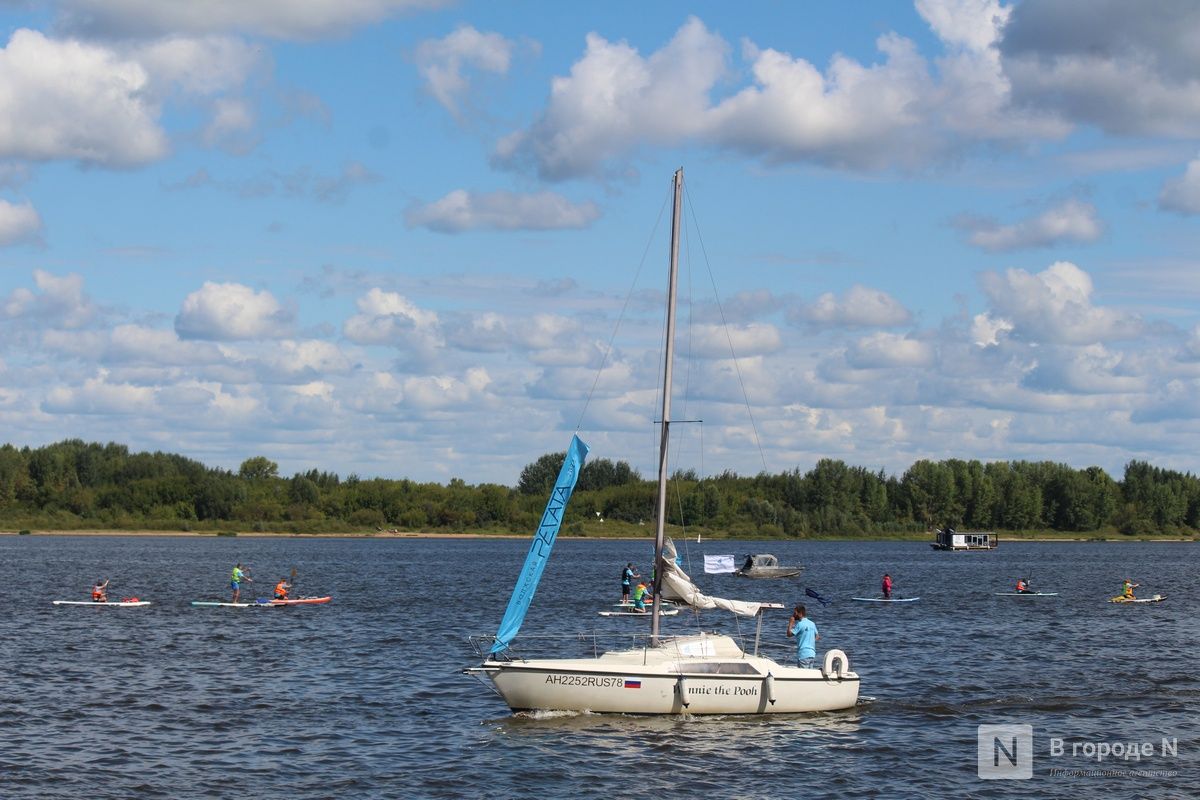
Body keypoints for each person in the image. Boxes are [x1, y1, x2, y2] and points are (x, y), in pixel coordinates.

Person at [787, 604, 819, 669]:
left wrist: (791, 623)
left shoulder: (800, 624)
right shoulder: (812, 623)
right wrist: (809, 642)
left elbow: (789, 634)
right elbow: (817, 636)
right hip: (812, 653)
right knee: (809, 674)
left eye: (795, 613)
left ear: (800, 613)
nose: (793, 615)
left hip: (803, 654)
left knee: (803, 673)